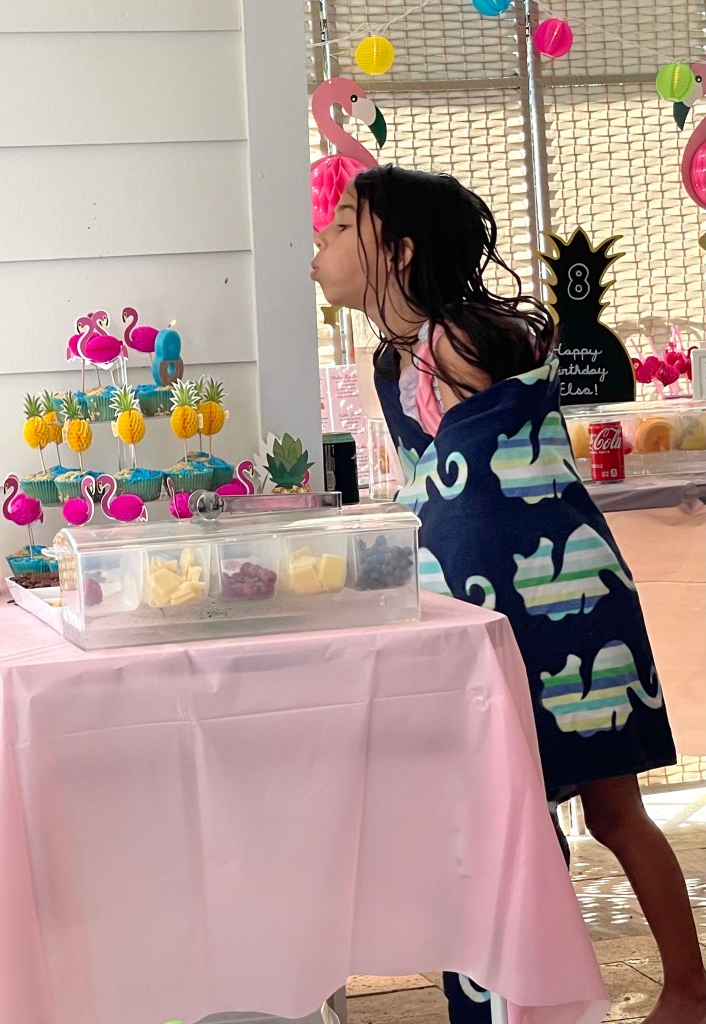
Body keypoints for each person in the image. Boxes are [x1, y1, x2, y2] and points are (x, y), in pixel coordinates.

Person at [311, 164, 706, 1024]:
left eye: (344, 224)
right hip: (479, 612)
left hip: (565, 602)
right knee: (507, 812)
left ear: (400, 251)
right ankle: (531, 992)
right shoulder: (393, 363)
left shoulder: (463, 340)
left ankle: (687, 985)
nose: (324, 239)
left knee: (612, 807)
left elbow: (516, 385)